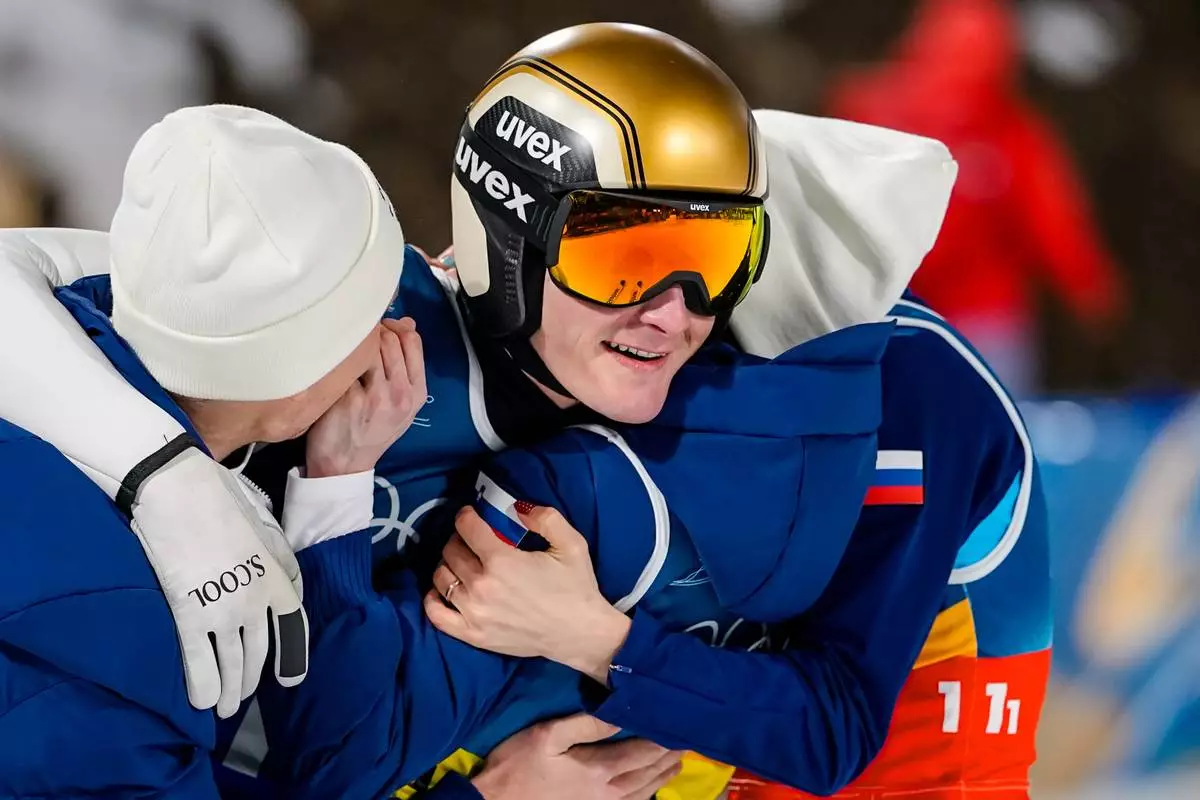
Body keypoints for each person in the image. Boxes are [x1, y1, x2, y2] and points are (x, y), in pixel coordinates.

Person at [0, 24, 964, 800]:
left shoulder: (684, 442)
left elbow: (834, 722)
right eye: (622, 258)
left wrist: (600, 642)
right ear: (510, 241)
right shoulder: (329, 309)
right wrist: (165, 475)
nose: (671, 310)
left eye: (711, 261)